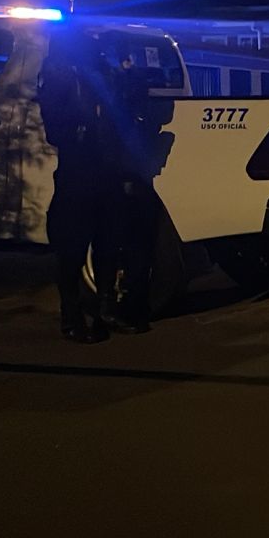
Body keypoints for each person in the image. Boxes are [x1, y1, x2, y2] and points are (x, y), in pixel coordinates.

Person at [40, 41, 117, 343]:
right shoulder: (59, 80)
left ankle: (101, 313)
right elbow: (56, 131)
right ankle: (72, 318)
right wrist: (83, 121)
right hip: (77, 175)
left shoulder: (95, 78)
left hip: (102, 173)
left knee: (106, 246)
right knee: (72, 252)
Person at [96, 51, 167, 335]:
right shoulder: (126, 112)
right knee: (132, 247)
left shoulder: (119, 110)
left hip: (128, 183)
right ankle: (127, 307)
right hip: (131, 183)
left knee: (128, 247)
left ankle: (124, 306)